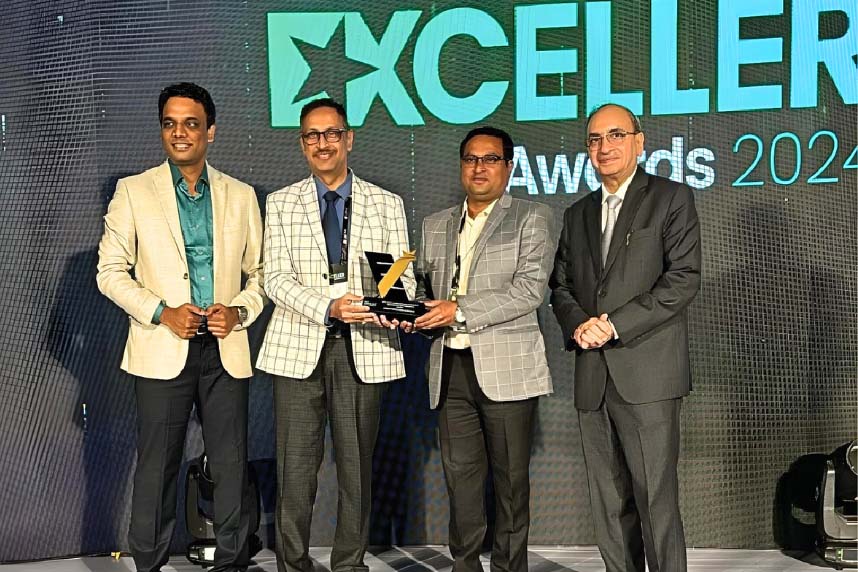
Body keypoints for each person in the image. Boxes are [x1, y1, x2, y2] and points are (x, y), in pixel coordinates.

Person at [96, 82, 265, 572]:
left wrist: (239, 311)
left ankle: (233, 562)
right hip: (161, 345)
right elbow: (109, 272)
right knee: (157, 467)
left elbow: (260, 275)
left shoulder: (240, 194)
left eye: (191, 123)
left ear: (210, 131)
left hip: (224, 349)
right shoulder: (134, 191)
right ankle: (148, 563)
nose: (180, 133)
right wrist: (160, 312)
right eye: (170, 124)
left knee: (231, 466)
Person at [257, 97, 414, 572]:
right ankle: (293, 563)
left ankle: (350, 564)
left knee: (357, 472)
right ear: (302, 144)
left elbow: (399, 281)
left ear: (349, 138)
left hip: (363, 349)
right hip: (298, 346)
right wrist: (328, 305)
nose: (321, 143)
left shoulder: (387, 204)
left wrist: (390, 307)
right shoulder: (282, 203)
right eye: (311, 135)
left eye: (330, 134)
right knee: (296, 471)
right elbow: (274, 279)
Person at [549, 103, 701, 572]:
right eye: (594, 139)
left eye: (615, 135)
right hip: (593, 376)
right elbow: (561, 286)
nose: (604, 147)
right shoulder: (577, 214)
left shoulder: (670, 198)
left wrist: (612, 324)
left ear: (639, 141)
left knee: (655, 500)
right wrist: (579, 324)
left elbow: (682, 280)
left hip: (648, 376)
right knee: (608, 504)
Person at [404, 126, 556, 572]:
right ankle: (464, 565)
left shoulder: (533, 217)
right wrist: (403, 307)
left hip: (507, 368)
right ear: (461, 166)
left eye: (490, 159)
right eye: (471, 159)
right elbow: (423, 289)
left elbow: (529, 291)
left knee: (511, 483)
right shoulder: (435, 224)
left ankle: (510, 567)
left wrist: (459, 310)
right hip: (449, 366)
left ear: (508, 167)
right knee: (461, 480)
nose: (479, 167)